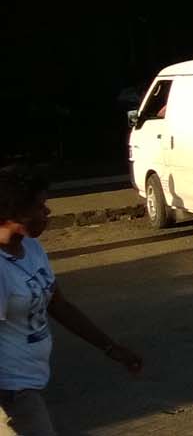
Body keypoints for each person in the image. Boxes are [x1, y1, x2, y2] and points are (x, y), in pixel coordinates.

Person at [1, 167, 143, 436]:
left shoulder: (32, 248)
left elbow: (58, 304)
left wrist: (111, 348)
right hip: (11, 394)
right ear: (13, 213)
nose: (48, 212)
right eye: (39, 206)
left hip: (31, 383)